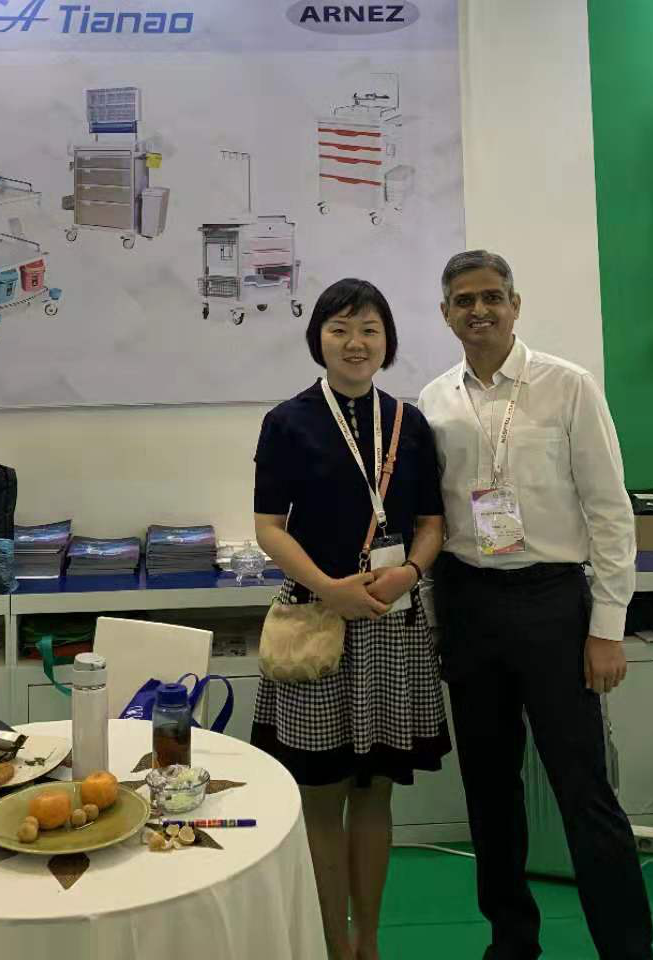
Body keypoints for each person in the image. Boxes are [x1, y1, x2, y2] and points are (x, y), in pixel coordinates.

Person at [419, 250, 653, 960]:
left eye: (492, 296)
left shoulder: (567, 385)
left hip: (552, 604)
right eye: (464, 300)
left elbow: (610, 511)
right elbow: (432, 517)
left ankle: (628, 950)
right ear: (446, 314)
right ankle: (512, 943)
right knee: (489, 792)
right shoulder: (433, 400)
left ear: (515, 305)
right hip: (468, 602)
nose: (480, 310)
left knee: (584, 791)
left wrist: (607, 628)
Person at [251, 277, 449, 960]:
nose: (355, 342)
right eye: (339, 329)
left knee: (375, 796)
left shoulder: (410, 423)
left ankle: (369, 940)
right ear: (319, 339)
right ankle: (333, 944)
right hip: (317, 627)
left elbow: (432, 524)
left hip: (392, 626)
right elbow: (269, 527)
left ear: (387, 340)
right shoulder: (288, 422)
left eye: (369, 329)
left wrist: (411, 572)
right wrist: (328, 589)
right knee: (320, 796)